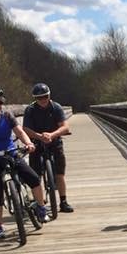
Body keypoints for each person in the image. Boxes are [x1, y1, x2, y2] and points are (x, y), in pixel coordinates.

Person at [0, 87, 48, 239]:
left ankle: (41, 207)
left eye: (0, 102)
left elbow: (20, 132)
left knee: (34, 178)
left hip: (11, 153)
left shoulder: (7, 116)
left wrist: (28, 143)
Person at [23, 82, 73, 213]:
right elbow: (25, 129)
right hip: (37, 143)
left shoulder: (56, 107)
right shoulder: (30, 110)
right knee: (35, 174)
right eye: (39, 98)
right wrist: (39, 136)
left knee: (60, 174)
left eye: (45, 96)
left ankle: (63, 201)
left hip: (54, 141)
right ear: (35, 98)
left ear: (49, 95)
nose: (43, 100)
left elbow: (65, 126)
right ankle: (39, 200)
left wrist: (52, 135)